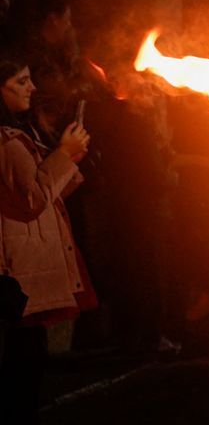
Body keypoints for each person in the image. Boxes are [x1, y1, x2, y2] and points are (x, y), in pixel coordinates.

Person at [0, 53, 94, 423]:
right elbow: (31, 201)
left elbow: (47, 193)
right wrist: (63, 156)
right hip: (16, 271)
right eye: (21, 81)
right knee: (19, 374)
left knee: (27, 366)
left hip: (23, 268)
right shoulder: (5, 141)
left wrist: (69, 157)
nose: (32, 88)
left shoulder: (19, 135)